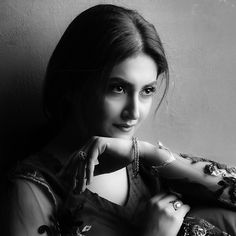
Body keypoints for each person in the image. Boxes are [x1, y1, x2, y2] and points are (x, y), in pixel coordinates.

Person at [6, 4, 236, 236]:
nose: (134, 112)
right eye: (118, 88)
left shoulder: (146, 166)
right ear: (71, 87)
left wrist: (148, 153)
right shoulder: (32, 190)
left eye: (147, 91)